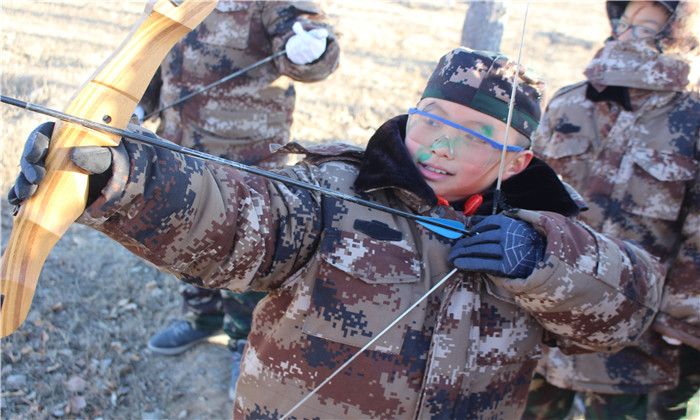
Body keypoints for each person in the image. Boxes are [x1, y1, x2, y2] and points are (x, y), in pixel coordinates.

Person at [8, 47, 665, 419]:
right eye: (430, 117)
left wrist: (545, 262)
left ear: (517, 161)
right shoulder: (333, 192)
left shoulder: (546, 229)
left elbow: (626, 312)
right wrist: (121, 177)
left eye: (475, 135)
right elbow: (240, 219)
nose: (437, 143)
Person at [132, 0, 340, 399]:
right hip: (177, 144)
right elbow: (152, 57)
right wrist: (140, 103)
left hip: (247, 159)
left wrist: (314, 49)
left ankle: (243, 341)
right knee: (179, 234)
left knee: (243, 253)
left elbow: (312, 49)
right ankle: (202, 318)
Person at [522, 1, 700, 419]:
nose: (627, 34)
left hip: (634, 329)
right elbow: (524, 193)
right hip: (545, 310)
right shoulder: (569, 105)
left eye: (646, 28)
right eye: (624, 23)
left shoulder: (692, 119)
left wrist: (679, 320)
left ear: (680, 34)